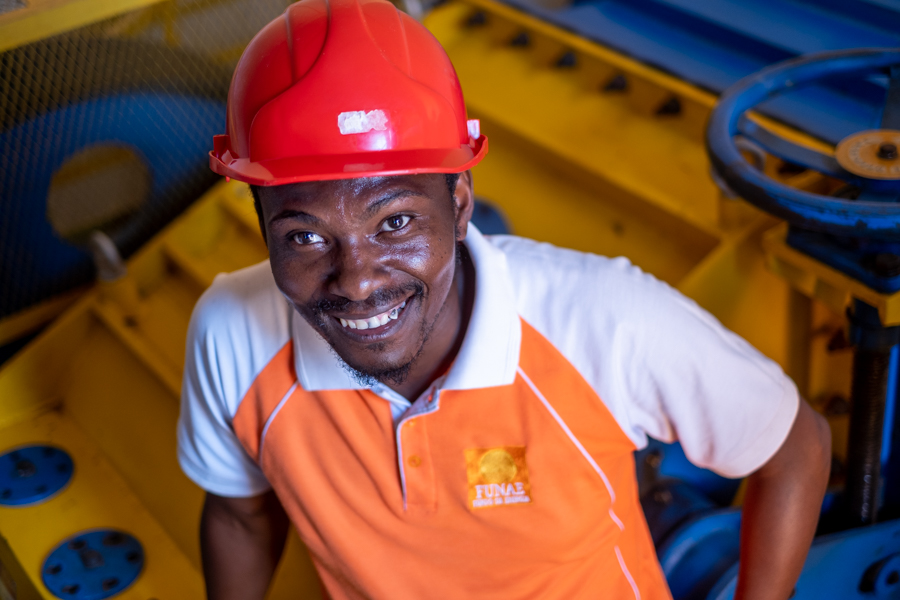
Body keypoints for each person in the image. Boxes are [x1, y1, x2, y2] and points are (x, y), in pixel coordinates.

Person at [176, 0, 831, 598]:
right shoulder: (233, 335)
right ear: (263, 228)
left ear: (458, 203)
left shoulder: (603, 320)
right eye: (305, 236)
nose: (357, 281)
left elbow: (794, 444)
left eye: (395, 222)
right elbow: (239, 514)